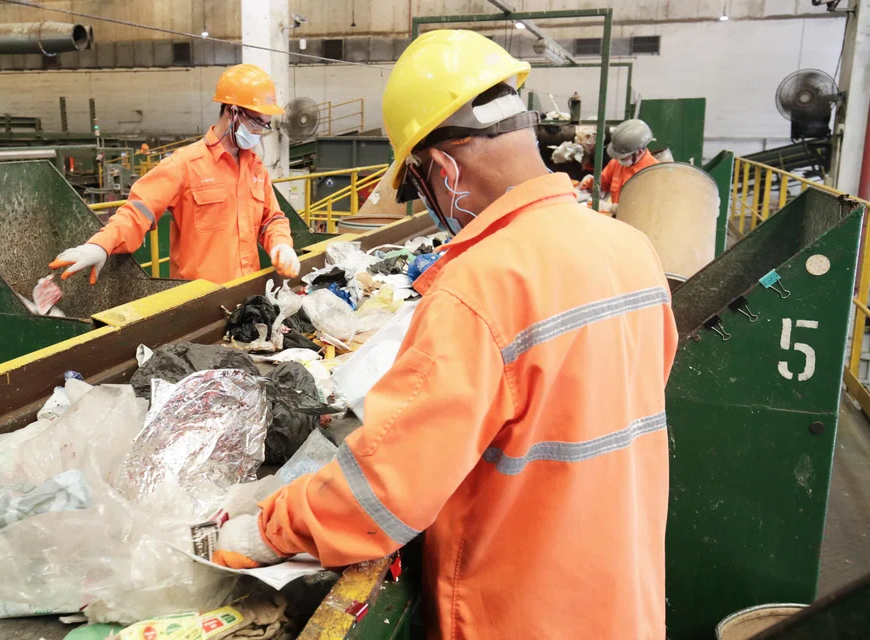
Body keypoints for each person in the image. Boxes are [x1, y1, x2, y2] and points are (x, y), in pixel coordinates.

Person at [213, 30, 677, 639]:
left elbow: (390, 483)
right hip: (621, 602)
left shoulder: (480, 286)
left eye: (420, 184)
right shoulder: (633, 251)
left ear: (445, 168)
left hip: (520, 610)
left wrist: (269, 529)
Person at [50, 64, 300, 284]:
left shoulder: (255, 168)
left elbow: (271, 219)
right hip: (200, 303)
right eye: (257, 122)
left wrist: (281, 244)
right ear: (232, 112)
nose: (259, 132)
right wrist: (100, 245)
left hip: (245, 297)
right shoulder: (185, 165)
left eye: (265, 125)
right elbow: (139, 211)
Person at [579, 118, 659, 214]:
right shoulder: (616, 163)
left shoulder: (654, 174)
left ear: (639, 152)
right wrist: (591, 183)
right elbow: (603, 183)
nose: (618, 159)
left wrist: (612, 208)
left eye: (623, 157)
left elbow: (646, 210)